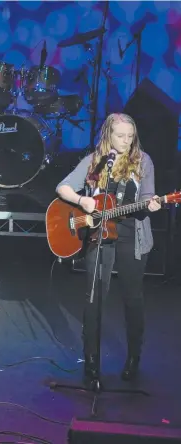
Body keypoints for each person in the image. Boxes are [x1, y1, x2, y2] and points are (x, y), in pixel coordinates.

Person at [56, 113, 161, 382]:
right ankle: (91, 362)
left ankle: (133, 358)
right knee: (94, 299)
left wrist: (151, 204)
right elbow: (63, 187)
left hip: (131, 236)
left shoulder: (143, 161)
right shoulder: (96, 161)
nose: (126, 141)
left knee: (132, 298)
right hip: (99, 236)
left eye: (130, 136)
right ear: (108, 136)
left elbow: (148, 196)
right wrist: (83, 200)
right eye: (120, 136)